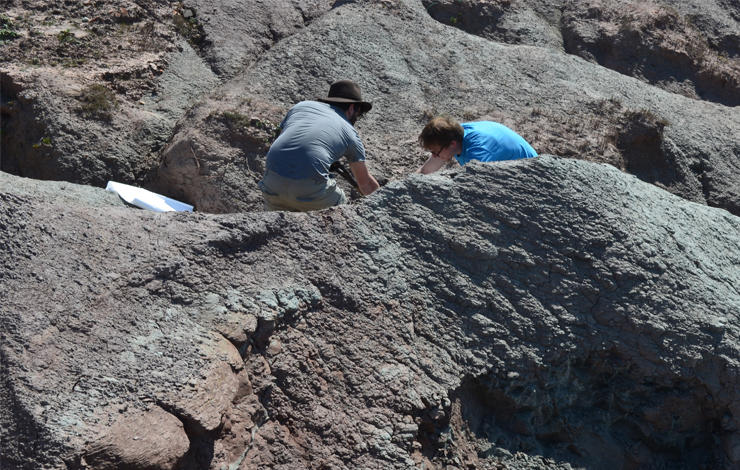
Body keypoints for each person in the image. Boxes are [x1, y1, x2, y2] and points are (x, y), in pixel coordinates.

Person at [259, 80, 380, 211]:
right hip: (310, 193)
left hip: (271, 185)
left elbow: (286, 141)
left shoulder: (301, 106)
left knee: (277, 216)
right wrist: (385, 205)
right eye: (359, 114)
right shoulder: (350, 132)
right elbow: (365, 184)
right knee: (341, 204)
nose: (356, 118)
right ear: (352, 108)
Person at [416, 116, 537, 174]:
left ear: (452, 144)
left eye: (435, 152)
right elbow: (425, 171)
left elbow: (478, 185)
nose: (434, 156)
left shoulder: (477, 152)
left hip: (532, 174)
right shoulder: (455, 135)